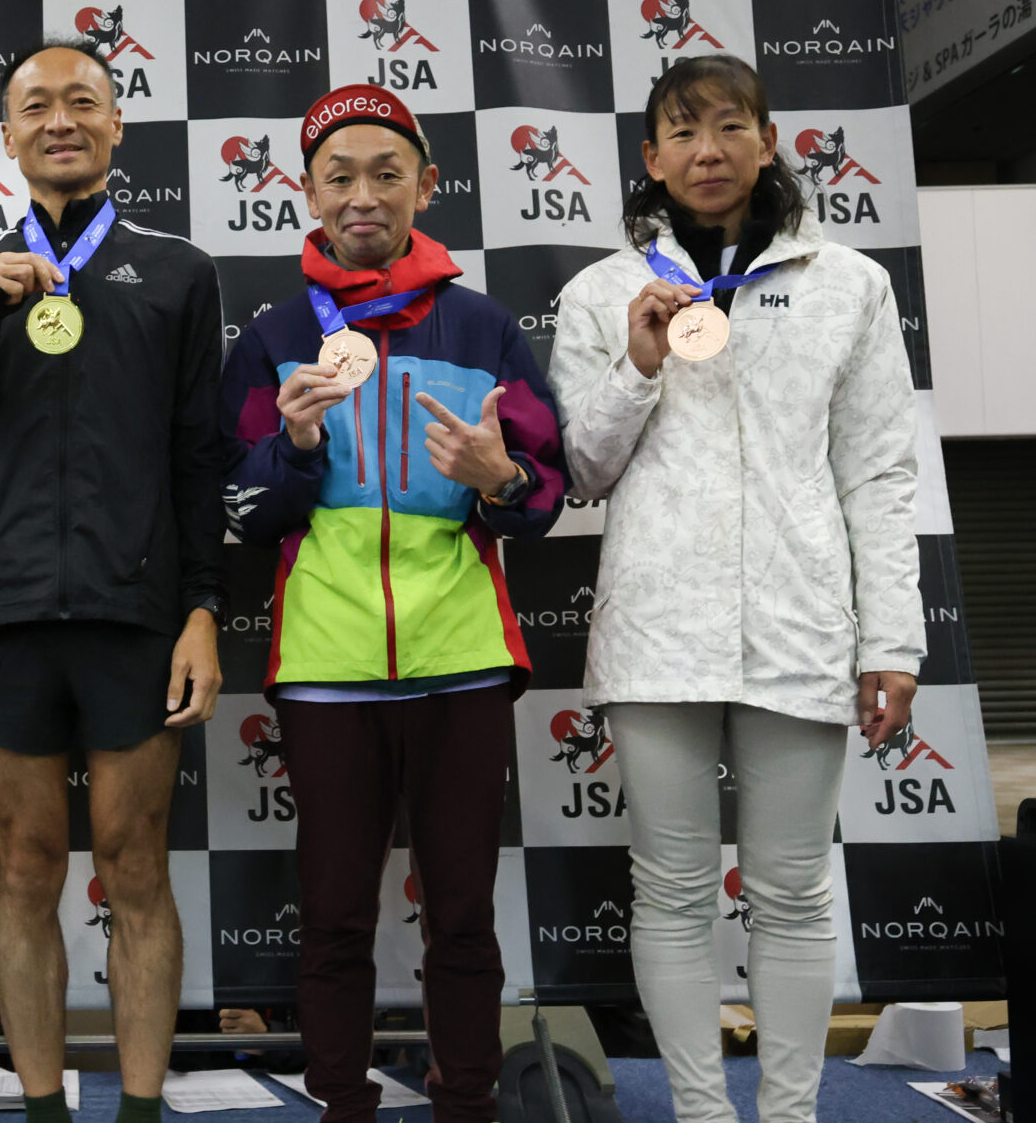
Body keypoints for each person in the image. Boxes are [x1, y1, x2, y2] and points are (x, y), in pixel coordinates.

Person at [549, 54, 922, 1123]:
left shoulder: (849, 284)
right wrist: (637, 364)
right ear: (650, 156)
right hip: (656, 629)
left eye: (727, 127)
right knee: (670, 890)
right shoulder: (600, 292)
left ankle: (790, 1114)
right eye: (682, 131)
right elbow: (581, 471)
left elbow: (877, 472)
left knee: (792, 890)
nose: (706, 151)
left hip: (799, 625)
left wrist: (891, 641)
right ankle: (703, 1114)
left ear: (767, 141)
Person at [218, 83, 567, 1123]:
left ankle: (467, 1103)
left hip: (459, 661)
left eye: (385, 173)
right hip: (327, 668)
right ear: (308, 193)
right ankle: (340, 1103)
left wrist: (500, 478)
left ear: (426, 185)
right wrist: (294, 447)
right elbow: (238, 507)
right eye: (339, 177)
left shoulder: (482, 326)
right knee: (332, 917)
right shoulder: (274, 335)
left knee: (460, 914)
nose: (362, 195)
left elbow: (543, 495)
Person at [0, 37, 227, 1123]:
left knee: (134, 864)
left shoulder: (180, 271)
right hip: (3, 613)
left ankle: (138, 1109)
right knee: (25, 864)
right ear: (6, 136)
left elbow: (200, 458)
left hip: (135, 614)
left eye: (82, 101)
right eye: (36, 105)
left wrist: (201, 608)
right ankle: (44, 1109)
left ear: (115, 125)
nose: (60, 120)